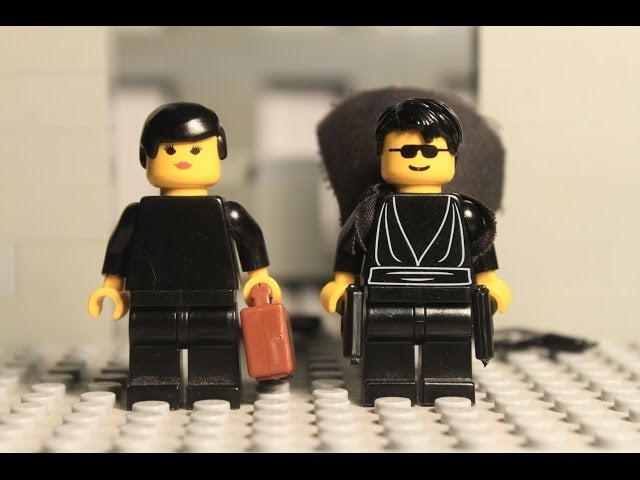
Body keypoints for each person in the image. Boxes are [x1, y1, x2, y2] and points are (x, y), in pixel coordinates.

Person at [88, 102, 281, 410]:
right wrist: (112, 287)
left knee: (215, 342)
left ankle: (216, 384)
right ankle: (155, 383)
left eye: (196, 150)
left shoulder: (225, 212)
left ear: (219, 151)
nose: (183, 159)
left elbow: (250, 240)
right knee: (152, 342)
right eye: (169, 150)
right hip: (152, 301)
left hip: (214, 299)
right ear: (146, 157)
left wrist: (259, 278)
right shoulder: (139, 215)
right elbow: (119, 248)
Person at [320, 98, 511, 406]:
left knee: (449, 342)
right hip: (386, 298)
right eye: (406, 151)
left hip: (450, 298)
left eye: (431, 151)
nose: (418, 158)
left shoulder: (463, 212)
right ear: (383, 155)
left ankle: (447, 380)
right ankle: (387, 381)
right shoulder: (373, 210)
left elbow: (481, 247)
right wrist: (342, 282)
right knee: (386, 343)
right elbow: (351, 244)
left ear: (453, 157)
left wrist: (490, 282)